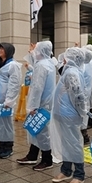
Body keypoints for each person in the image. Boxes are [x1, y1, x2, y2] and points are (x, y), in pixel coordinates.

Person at [50, 47, 87, 183]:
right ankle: (66, 170)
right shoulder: (68, 71)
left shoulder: (72, 73)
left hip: (70, 115)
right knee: (66, 144)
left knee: (74, 144)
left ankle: (79, 174)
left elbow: (78, 96)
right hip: (63, 115)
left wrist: (81, 112)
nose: (63, 59)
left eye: (66, 57)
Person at [17, 41, 56, 171]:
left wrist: (33, 106)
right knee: (36, 130)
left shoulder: (41, 66)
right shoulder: (48, 63)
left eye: (36, 49)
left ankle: (47, 159)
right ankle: (32, 155)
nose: (34, 51)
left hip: (40, 104)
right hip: (46, 103)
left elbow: (37, 88)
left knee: (41, 132)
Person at [0, 43, 22, 158]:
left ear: (8, 51)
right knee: (0, 124)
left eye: (2, 48)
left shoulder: (13, 65)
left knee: (6, 124)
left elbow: (14, 84)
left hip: (5, 101)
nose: (0, 50)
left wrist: (9, 100)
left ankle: (8, 147)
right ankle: (1, 146)